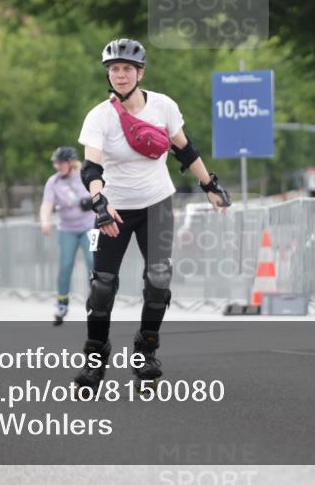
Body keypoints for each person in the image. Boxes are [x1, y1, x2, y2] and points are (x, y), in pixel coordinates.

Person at [73, 38, 231, 390]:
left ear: (140, 72)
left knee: (158, 280)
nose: (120, 75)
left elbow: (185, 149)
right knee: (102, 287)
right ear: (109, 74)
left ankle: (145, 353)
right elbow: (90, 169)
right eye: (114, 69)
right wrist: (100, 204)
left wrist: (210, 185)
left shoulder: (163, 107)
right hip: (114, 209)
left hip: (157, 204)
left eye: (127, 69)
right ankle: (95, 359)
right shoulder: (99, 116)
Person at [39, 146, 95, 325]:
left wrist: (92, 201)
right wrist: (45, 221)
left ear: (70, 163)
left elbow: (100, 192)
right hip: (67, 229)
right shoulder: (53, 182)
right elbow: (47, 204)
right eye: (56, 163)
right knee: (65, 266)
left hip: (90, 227)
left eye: (61, 162)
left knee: (93, 262)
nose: (58, 166)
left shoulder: (83, 175)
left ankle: (96, 302)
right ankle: (62, 304)